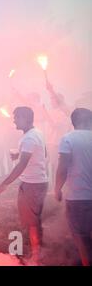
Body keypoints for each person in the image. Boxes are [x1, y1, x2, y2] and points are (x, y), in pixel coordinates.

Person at [0, 107, 48, 265]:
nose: (14, 120)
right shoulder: (37, 133)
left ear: (25, 118)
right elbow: (43, 154)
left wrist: (4, 184)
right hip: (37, 182)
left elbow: (22, 165)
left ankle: (36, 257)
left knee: (32, 222)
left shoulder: (29, 138)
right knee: (33, 220)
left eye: (16, 117)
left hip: (32, 184)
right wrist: (20, 154)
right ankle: (37, 253)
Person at [54, 108, 92, 266]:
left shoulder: (68, 139)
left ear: (73, 122)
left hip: (78, 196)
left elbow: (63, 167)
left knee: (80, 235)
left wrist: (57, 189)